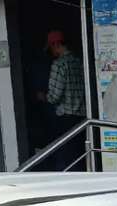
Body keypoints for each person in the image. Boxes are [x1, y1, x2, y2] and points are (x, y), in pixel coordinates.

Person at [44, 30, 86, 170]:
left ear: (56, 44)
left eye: (51, 48)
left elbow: (54, 96)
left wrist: (43, 97)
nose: (51, 52)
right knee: (79, 157)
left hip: (65, 119)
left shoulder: (59, 65)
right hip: (81, 118)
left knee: (65, 159)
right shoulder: (79, 61)